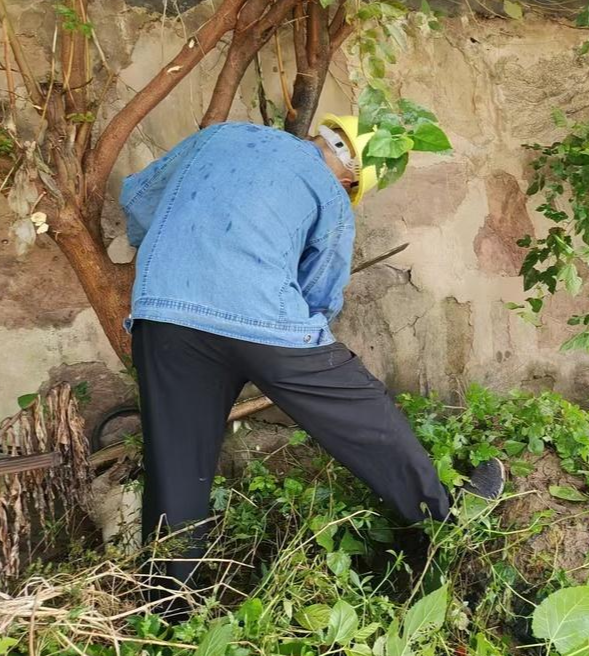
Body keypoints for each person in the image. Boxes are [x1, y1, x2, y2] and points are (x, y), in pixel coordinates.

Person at [121, 117, 505, 595]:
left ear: (322, 136)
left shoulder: (219, 135)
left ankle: (167, 608)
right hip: (265, 322)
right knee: (361, 411)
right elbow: (320, 293)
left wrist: (176, 260)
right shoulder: (330, 195)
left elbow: (137, 199)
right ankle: (446, 518)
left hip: (165, 319)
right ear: (351, 180)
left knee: (175, 463)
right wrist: (289, 340)